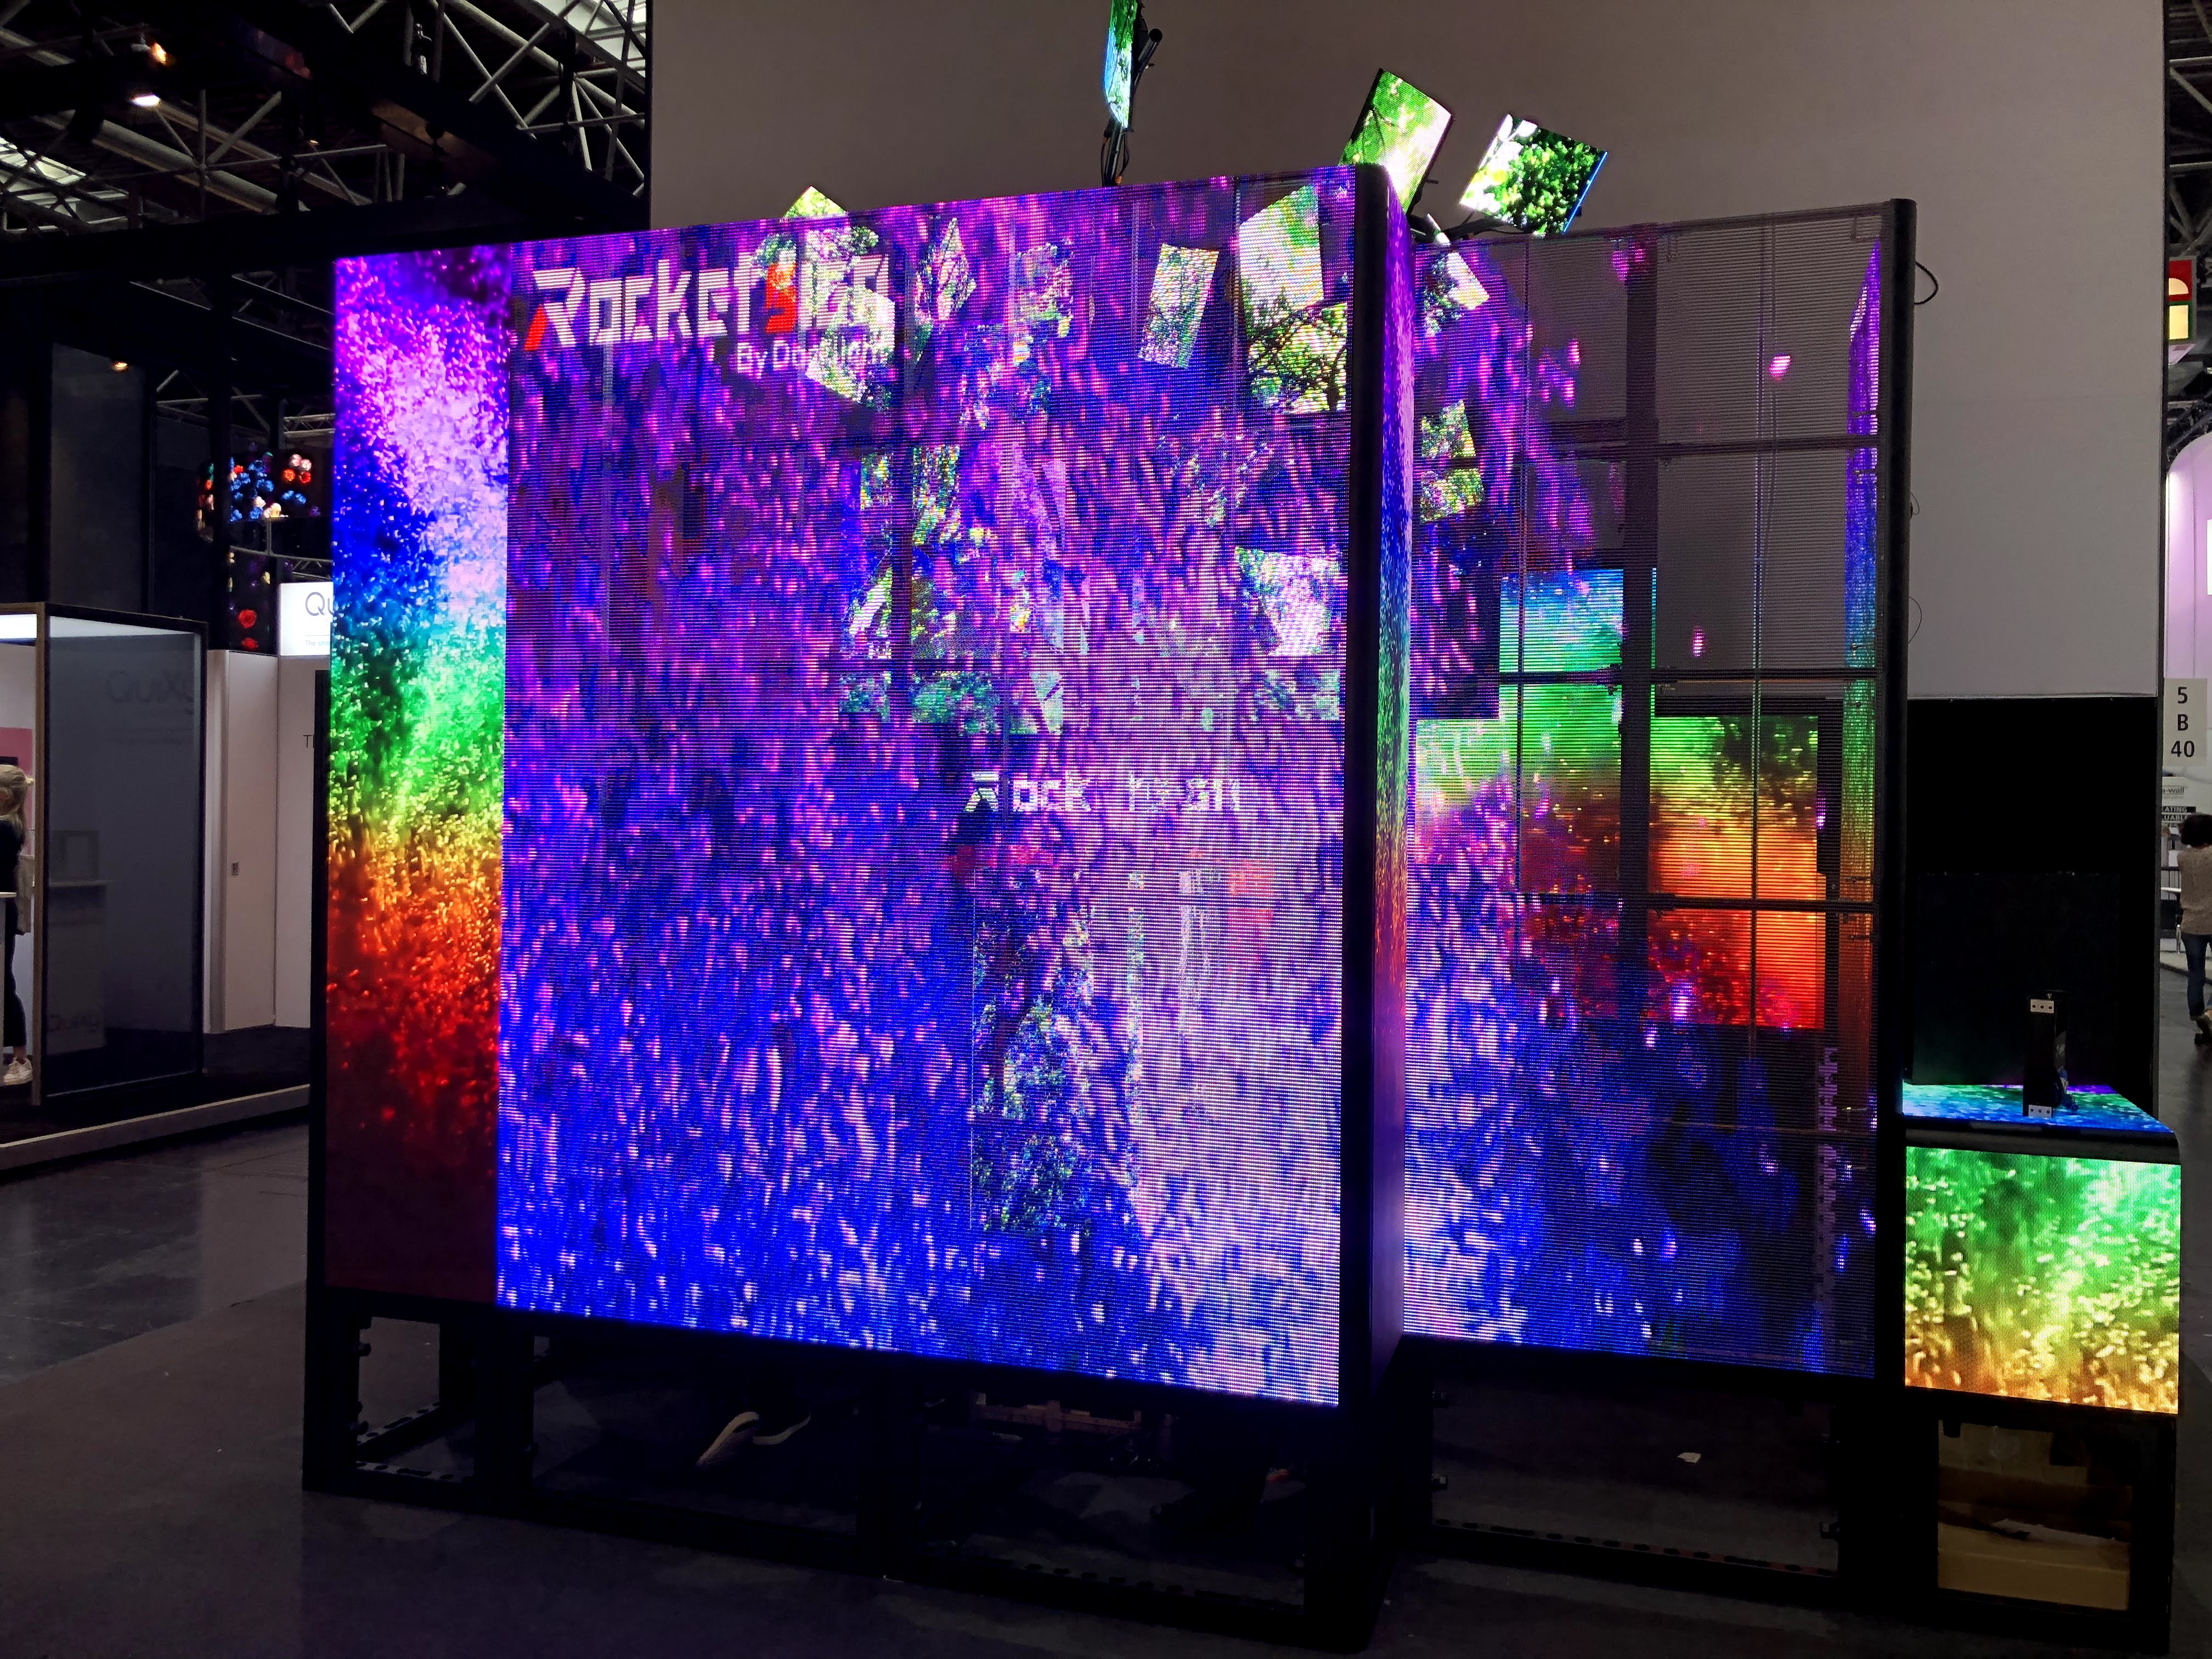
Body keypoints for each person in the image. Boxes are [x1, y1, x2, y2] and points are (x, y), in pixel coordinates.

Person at [0, 765, 30, 1085]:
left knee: (3, 984)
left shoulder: (7, 830)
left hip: (0, 917)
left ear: (5, 796)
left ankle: (20, 1059)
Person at [2179, 813, 2212, 1046]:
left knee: (2196, 974)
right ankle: (2211, 1012)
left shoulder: (2183, 857)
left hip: (2191, 922)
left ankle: (2198, 1015)